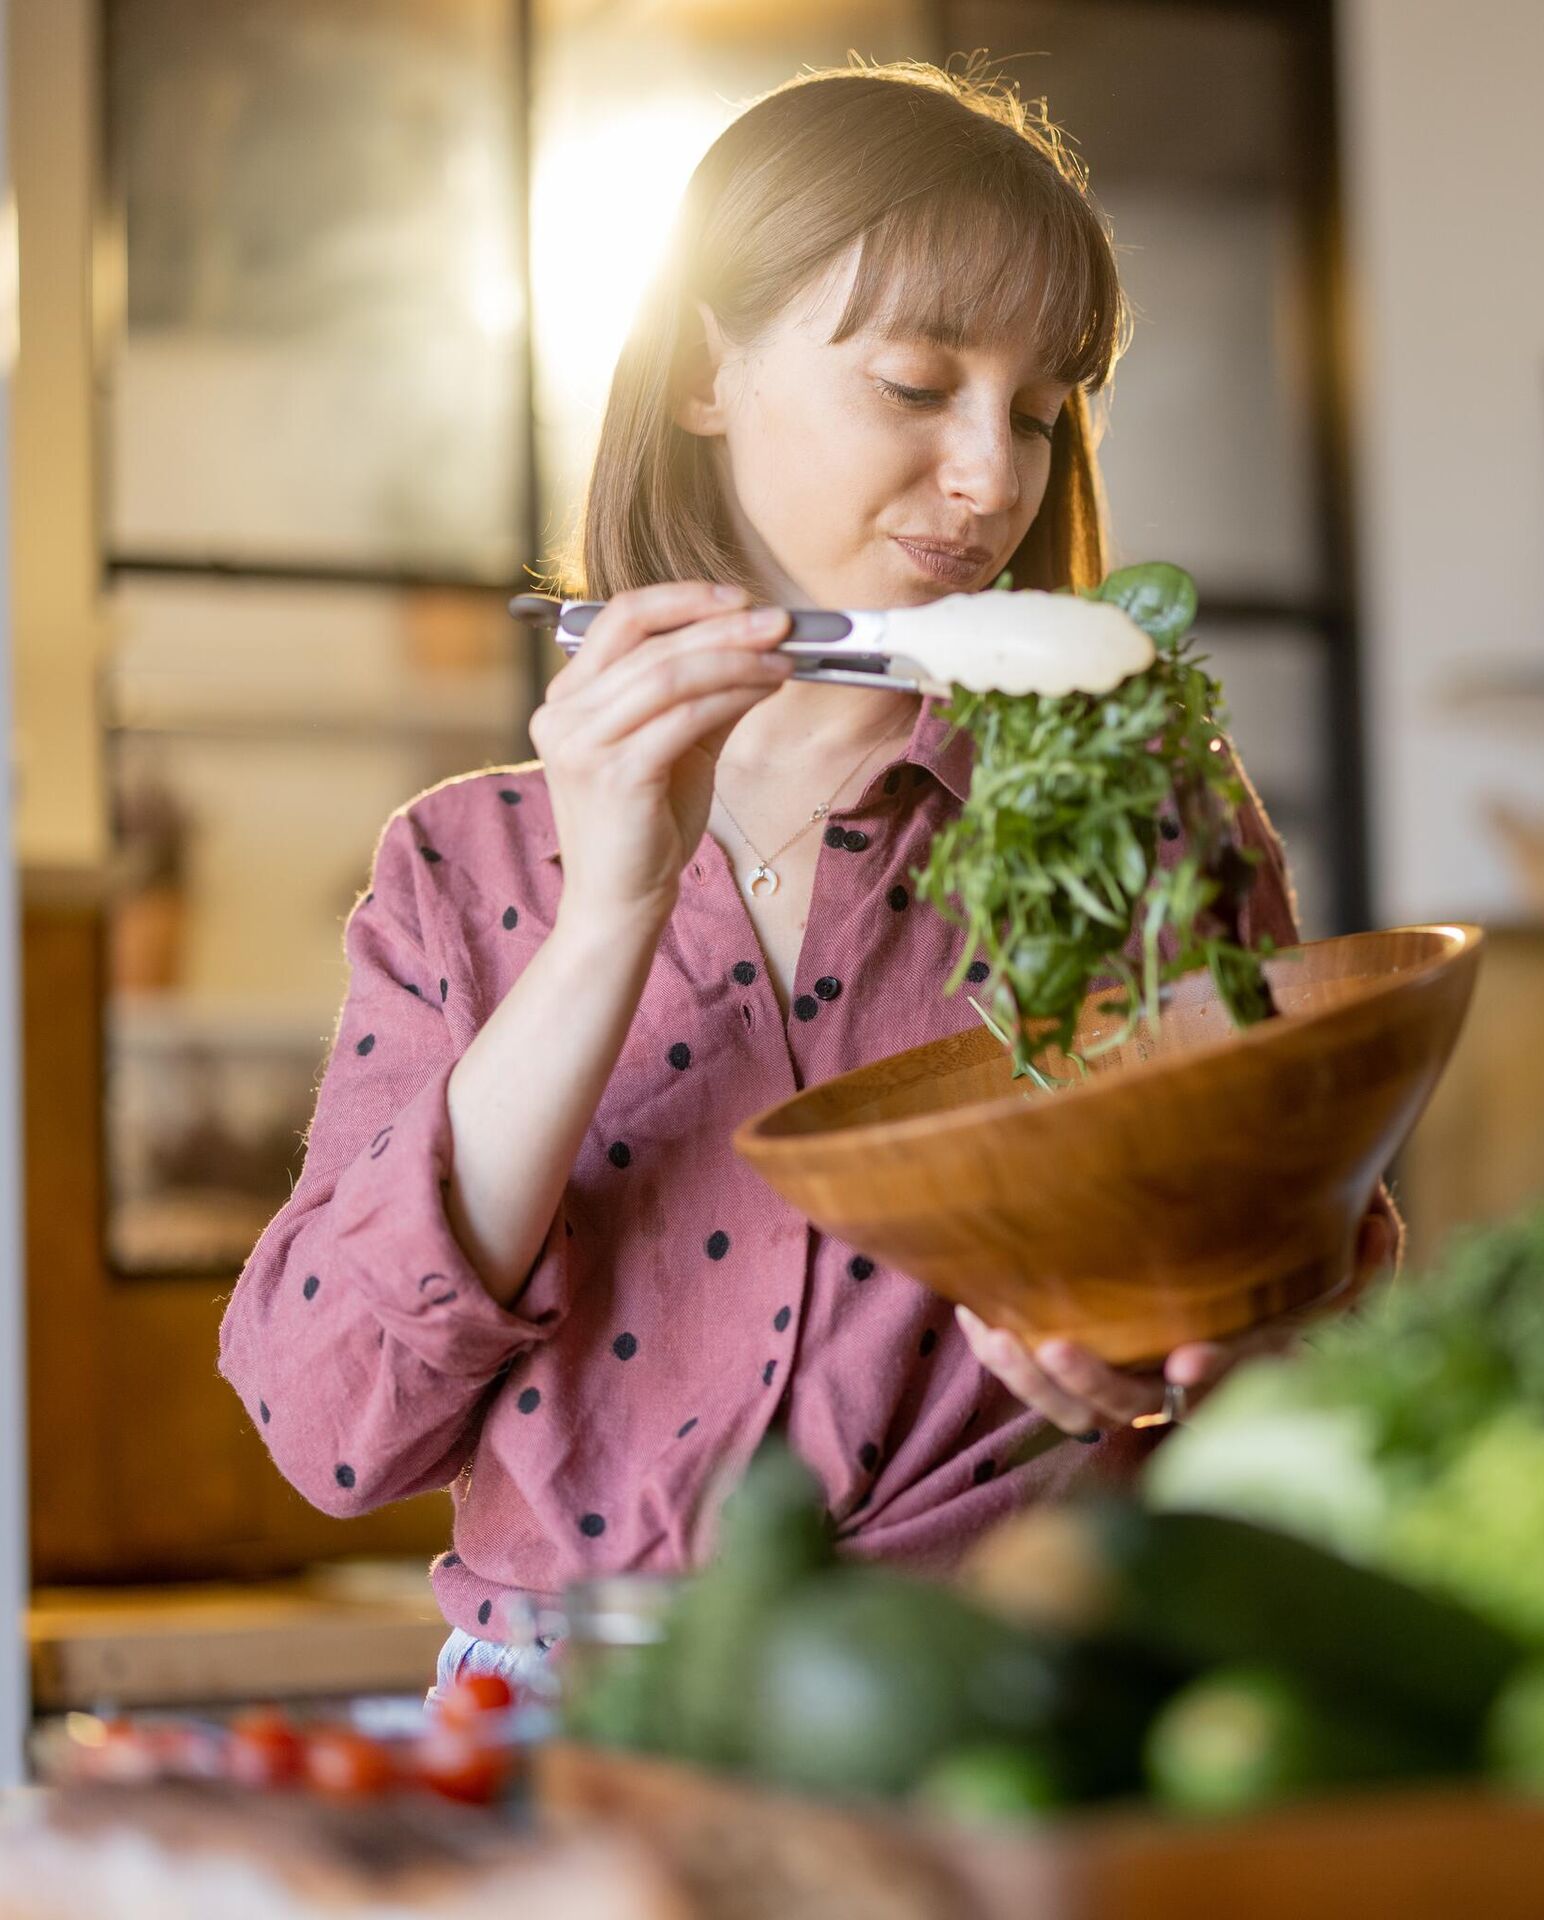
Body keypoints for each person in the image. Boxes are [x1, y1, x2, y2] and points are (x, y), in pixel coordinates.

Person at [217, 58, 1398, 1696]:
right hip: (570, 1720)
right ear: (710, 369)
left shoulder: (1141, 808)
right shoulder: (464, 865)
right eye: (919, 386)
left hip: (1022, 1696)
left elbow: (1321, 1320)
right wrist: (608, 921)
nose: (994, 479)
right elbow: (334, 1424)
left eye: (1041, 413)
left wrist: (1165, 1349)